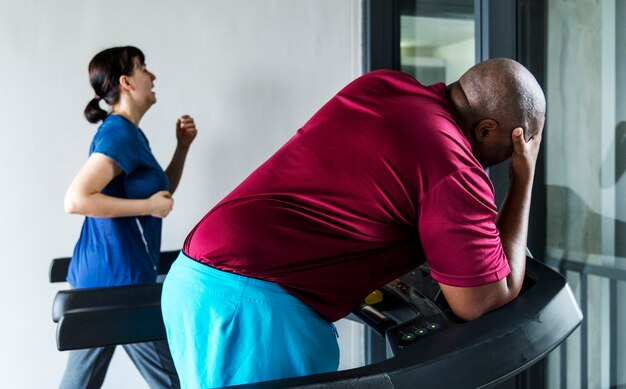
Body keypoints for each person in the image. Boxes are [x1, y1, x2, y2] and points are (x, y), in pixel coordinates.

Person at [161, 58, 546, 388]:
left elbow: (359, 191)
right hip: (251, 307)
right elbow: (480, 300)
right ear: (485, 129)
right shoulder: (453, 164)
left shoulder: (382, 85)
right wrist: (523, 179)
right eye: (518, 143)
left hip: (195, 280)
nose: (513, 155)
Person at [61, 46, 197, 389]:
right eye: (144, 69)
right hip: (114, 284)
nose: (153, 77)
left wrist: (182, 147)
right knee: (171, 382)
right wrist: (148, 208)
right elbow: (77, 199)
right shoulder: (119, 133)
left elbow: (160, 192)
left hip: (120, 280)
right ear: (127, 82)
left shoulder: (129, 133)